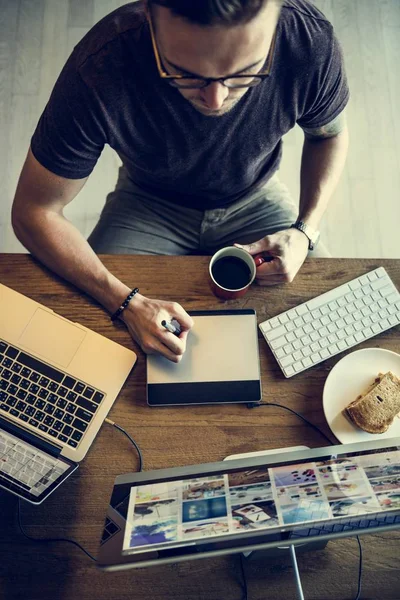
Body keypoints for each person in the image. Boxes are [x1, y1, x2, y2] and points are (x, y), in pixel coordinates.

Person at [11, 0, 349, 363]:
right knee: (92, 347)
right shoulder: (101, 64)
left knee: (326, 331)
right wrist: (126, 302)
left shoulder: (309, 42)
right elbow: (34, 212)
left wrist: (304, 230)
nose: (216, 100)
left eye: (246, 73)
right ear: (149, 20)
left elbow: (328, 135)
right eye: (186, 74)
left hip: (256, 194)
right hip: (147, 202)